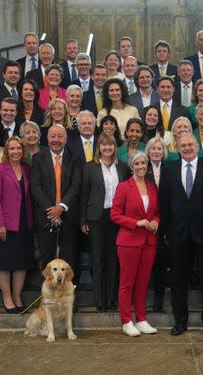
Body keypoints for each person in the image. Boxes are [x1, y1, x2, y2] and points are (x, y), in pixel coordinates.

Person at [159, 133, 203, 336]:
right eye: (183, 145)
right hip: (178, 234)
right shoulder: (169, 170)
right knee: (178, 281)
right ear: (177, 148)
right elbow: (164, 204)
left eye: (190, 144)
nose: (187, 148)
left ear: (197, 146)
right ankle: (180, 322)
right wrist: (165, 232)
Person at [111, 151, 160, 336]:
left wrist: (156, 221)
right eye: (137, 163)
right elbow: (114, 214)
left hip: (149, 241)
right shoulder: (123, 187)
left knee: (143, 283)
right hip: (128, 242)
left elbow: (156, 212)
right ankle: (126, 321)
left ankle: (141, 319)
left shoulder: (152, 187)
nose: (140, 166)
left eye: (143, 163)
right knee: (127, 283)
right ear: (131, 166)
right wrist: (135, 223)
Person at [80, 134, 130, 312]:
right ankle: (99, 300)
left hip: (117, 217)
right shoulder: (89, 167)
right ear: (98, 147)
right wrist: (83, 219)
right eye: (103, 144)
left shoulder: (122, 167)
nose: (107, 148)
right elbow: (84, 194)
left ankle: (112, 298)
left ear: (115, 147)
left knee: (114, 259)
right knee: (98, 259)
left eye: (110, 144)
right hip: (96, 217)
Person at [0, 136, 35, 313]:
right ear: (7, 151)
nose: (15, 152)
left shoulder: (27, 169)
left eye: (18, 148)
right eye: (12, 149)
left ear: (23, 151)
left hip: (25, 221)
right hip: (6, 224)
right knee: (4, 262)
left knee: (21, 261)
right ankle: (7, 297)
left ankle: (17, 296)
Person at [31, 124, 82, 272]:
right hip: (45, 217)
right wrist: (52, 211)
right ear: (47, 138)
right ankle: (49, 295)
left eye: (60, 136)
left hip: (69, 215)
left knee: (69, 260)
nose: (56, 140)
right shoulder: (38, 158)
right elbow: (36, 186)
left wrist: (61, 207)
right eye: (52, 136)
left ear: (66, 139)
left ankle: (67, 294)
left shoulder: (75, 158)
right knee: (47, 260)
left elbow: (76, 184)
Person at [145, 137, 170, 311]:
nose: (156, 151)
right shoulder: (141, 169)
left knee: (162, 264)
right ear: (148, 151)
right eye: (153, 148)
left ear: (164, 152)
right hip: (146, 226)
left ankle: (158, 302)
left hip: (165, 225)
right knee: (146, 264)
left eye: (159, 149)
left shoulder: (170, 171)